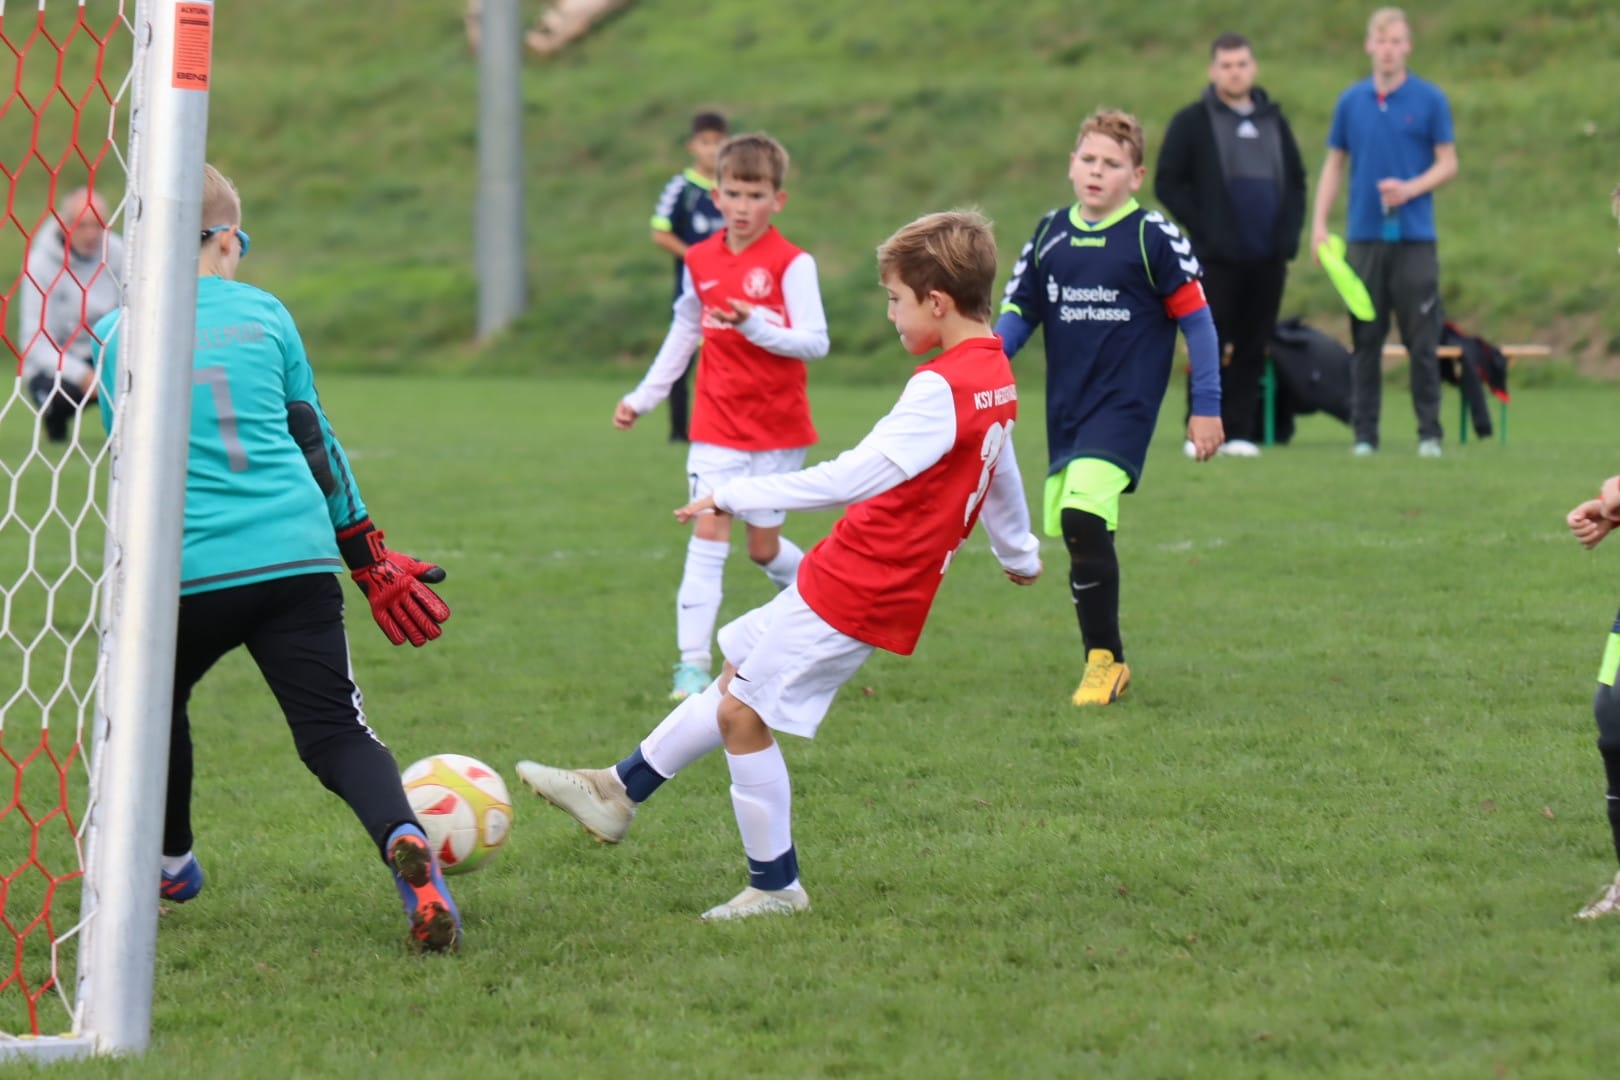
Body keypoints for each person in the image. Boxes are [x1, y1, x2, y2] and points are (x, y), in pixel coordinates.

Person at [518, 209, 1042, 921]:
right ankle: (615, 791)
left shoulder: (938, 387)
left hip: (867, 583)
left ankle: (775, 886)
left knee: (742, 712)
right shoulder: (993, 369)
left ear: (937, 302)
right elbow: (999, 460)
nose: (890, 314)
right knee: (736, 673)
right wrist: (1018, 549)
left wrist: (736, 493)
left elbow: (852, 477)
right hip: (849, 564)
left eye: (895, 299)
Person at [91, 164, 461, 953]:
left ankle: (170, 862)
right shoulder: (266, 313)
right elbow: (314, 438)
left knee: (152, 707)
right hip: (296, 557)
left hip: (186, 572)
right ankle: (405, 842)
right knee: (335, 733)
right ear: (229, 239)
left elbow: (125, 462)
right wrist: (365, 556)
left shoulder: (119, 332)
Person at [995, 108, 1223, 707]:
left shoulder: (1153, 236)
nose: (1098, 171)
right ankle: (1105, 658)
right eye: (1089, 159)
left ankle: (1105, 661)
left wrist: (1206, 405)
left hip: (1125, 408)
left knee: (1081, 517)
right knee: (1083, 531)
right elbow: (1019, 311)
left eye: (1113, 163)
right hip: (1067, 411)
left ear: (1136, 176)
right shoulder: (1049, 233)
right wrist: (985, 362)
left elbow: (1198, 323)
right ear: (1072, 165)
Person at [615, 132, 828, 703]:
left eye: (755, 195)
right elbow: (685, 328)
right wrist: (644, 396)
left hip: (777, 428)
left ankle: (822, 610)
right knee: (708, 531)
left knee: (763, 550)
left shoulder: (793, 264)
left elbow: (815, 342)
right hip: (716, 423)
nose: (742, 206)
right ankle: (691, 667)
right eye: (733, 193)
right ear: (716, 195)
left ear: (777, 200)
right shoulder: (699, 258)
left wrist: (753, 324)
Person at [1309, 6, 1457, 458]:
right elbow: (1335, 164)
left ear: (1407, 46)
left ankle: (1429, 434)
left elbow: (1448, 163)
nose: (1388, 49)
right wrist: (1319, 225)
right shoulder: (1351, 102)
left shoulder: (1430, 100)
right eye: (1381, 41)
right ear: (1369, 46)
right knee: (1366, 339)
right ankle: (1364, 436)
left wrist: (1409, 189)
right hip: (1364, 237)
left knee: (1421, 340)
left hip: (1415, 239)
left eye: (1396, 41)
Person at [1155, 32, 1308, 459]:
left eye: (1241, 64)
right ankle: (1198, 430)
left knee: (1253, 344)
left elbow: (1296, 181)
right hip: (1215, 259)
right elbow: (1168, 182)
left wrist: (1287, 237)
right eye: (1226, 65)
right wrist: (1206, 229)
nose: (1234, 72)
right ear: (1213, 70)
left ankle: (1239, 431)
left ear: (1252, 68)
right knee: (1208, 340)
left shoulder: (1273, 121)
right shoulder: (1192, 121)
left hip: (1267, 257)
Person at [17, 186, 124, 443]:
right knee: (55, 395)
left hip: (105, 353)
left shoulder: (119, 253)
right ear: (64, 225)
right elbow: (34, 342)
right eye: (82, 225)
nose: (91, 234)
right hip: (61, 363)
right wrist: (82, 375)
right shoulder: (39, 264)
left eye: (97, 225)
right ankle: (55, 422)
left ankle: (126, 435)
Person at [650, 111, 728, 443]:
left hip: (730, 289)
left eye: (718, 142)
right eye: (705, 142)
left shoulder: (735, 187)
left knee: (726, 359)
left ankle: (722, 427)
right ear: (692, 146)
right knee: (681, 357)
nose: (712, 149)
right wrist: (697, 258)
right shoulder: (681, 187)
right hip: (691, 289)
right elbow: (660, 232)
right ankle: (679, 432)